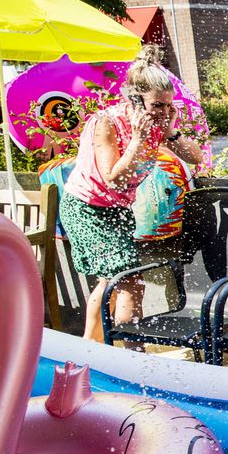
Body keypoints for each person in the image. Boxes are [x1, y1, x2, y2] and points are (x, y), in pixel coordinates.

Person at [59, 45, 204, 343]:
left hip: (116, 210)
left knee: (118, 279)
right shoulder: (106, 123)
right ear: (136, 101)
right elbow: (114, 178)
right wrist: (137, 142)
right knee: (127, 278)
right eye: (157, 106)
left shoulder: (157, 125)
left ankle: (99, 348)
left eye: (169, 105)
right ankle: (124, 349)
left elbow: (195, 157)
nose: (164, 112)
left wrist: (171, 129)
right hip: (86, 208)